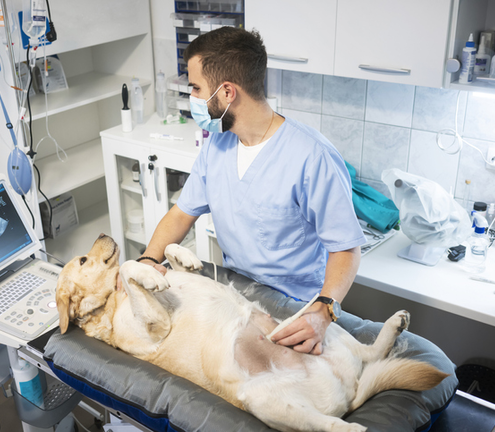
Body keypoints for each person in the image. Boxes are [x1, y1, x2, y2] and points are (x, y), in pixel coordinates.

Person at [136, 27, 366, 355]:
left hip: (294, 307)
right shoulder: (218, 145)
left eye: (197, 88)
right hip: (235, 295)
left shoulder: (312, 157)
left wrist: (324, 311)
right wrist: (147, 260)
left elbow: (346, 248)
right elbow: (181, 213)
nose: (193, 99)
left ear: (227, 92)